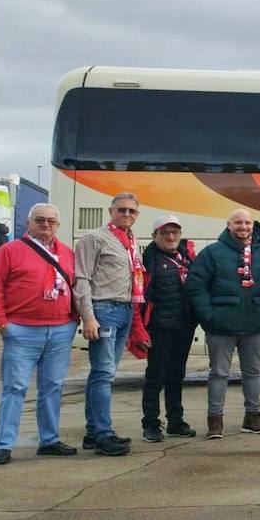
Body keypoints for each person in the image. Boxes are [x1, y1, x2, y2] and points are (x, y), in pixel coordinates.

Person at [0, 204, 80, 465]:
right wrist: (2, 324)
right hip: (22, 330)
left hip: (61, 330)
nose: (46, 225)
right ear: (28, 223)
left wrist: (74, 320)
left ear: (58, 225)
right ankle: (4, 445)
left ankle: (49, 440)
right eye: (39, 220)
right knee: (14, 388)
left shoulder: (67, 253)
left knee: (52, 387)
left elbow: (76, 286)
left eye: (51, 221)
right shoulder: (9, 251)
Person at [189, 209, 260, 438]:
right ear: (228, 225)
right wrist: (208, 316)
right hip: (221, 325)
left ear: (253, 225)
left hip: (255, 324)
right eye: (238, 222)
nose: (243, 227)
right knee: (219, 373)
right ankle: (215, 421)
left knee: (253, 372)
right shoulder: (212, 253)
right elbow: (196, 285)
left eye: (247, 223)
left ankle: (253, 417)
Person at [73, 192, 144, 457]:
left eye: (132, 211)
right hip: (104, 310)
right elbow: (81, 279)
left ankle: (93, 432)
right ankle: (104, 434)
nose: (127, 215)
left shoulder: (131, 241)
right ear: (110, 210)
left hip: (124, 310)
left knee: (102, 374)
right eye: (122, 210)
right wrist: (88, 317)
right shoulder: (94, 238)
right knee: (103, 374)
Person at [138, 215, 198, 442]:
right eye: (165, 233)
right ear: (155, 236)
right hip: (159, 328)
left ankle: (175, 420)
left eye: (175, 232)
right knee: (155, 377)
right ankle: (151, 424)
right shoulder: (148, 260)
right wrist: (140, 329)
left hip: (184, 326)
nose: (171, 237)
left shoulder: (188, 258)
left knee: (177, 375)